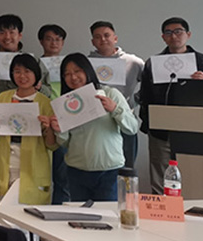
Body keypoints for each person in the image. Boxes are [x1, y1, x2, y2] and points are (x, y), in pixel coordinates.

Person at [139, 17, 203, 194]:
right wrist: (149, 123)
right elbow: (145, 96)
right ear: (163, 37)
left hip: (194, 129)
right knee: (160, 174)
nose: (174, 36)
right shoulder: (153, 63)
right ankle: (163, 208)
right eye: (168, 33)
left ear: (188, 35)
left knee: (193, 173)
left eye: (178, 31)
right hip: (161, 130)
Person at [54, 54, 139, 202]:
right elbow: (65, 143)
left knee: (107, 214)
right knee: (80, 215)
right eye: (67, 74)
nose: (73, 77)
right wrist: (60, 130)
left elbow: (132, 128)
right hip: (76, 171)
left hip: (109, 171)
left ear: (87, 71)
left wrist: (115, 109)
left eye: (77, 71)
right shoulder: (66, 104)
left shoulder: (110, 94)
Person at [0, 53, 58, 205]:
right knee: (6, 209)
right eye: (17, 71)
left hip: (34, 165)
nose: (22, 76)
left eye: (27, 71)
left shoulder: (45, 102)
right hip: (7, 161)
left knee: (31, 212)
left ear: (36, 74)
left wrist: (49, 128)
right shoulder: (3, 98)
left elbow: (52, 145)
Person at [88, 21, 145, 169]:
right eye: (98, 37)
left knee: (126, 168)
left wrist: (135, 100)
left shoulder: (133, 62)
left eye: (107, 35)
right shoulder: (86, 63)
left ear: (115, 38)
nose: (103, 39)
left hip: (124, 119)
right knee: (100, 166)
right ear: (93, 42)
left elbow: (149, 86)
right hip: (96, 123)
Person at [0, 14, 52, 103]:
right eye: (2, 33)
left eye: (12, 32)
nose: (7, 37)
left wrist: (39, 87)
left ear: (19, 35)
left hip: (27, 109)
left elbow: (48, 92)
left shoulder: (33, 60)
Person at [37, 23, 68, 204]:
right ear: (41, 42)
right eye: (49, 39)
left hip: (66, 119)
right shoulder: (35, 66)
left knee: (63, 172)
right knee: (44, 170)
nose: (54, 43)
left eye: (58, 39)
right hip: (44, 120)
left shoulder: (70, 67)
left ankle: (61, 207)